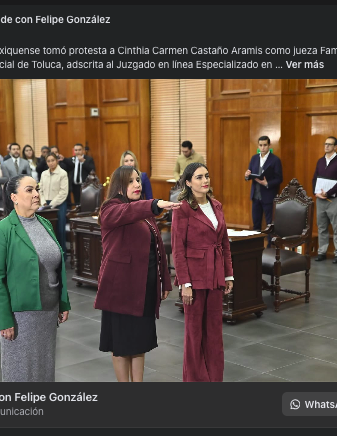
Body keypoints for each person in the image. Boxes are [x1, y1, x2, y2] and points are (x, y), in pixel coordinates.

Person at [94, 166, 179, 382]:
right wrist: (154, 204)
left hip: (144, 288)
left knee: (140, 342)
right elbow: (128, 212)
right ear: (119, 186)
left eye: (138, 180)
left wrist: (164, 281)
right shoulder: (110, 208)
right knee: (122, 344)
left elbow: (157, 249)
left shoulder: (143, 212)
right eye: (131, 181)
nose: (137, 185)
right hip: (121, 290)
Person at [0, 174, 71, 382]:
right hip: (21, 316)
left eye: (37, 189)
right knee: (21, 373)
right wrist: (4, 320)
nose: (36, 194)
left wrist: (62, 302)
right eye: (29, 190)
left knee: (44, 370)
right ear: (14, 197)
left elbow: (56, 267)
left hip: (48, 312)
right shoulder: (0, 231)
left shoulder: (45, 224)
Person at [171, 162, 234, 382]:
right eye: (199, 177)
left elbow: (224, 243)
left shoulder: (217, 205)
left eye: (206, 176)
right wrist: (185, 283)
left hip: (216, 275)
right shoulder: (182, 209)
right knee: (194, 333)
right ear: (188, 182)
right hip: (194, 278)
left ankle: (214, 379)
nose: (205, 180)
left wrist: (228, 274)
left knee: (214, 332)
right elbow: (178, 249)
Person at [312, 136, 337, 263]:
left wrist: (328, 193)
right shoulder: (320, 161)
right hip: (320, 200)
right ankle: (322, 252)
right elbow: (315, 178)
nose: (326, 146)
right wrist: (316, 193)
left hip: (334, 200)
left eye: (329, 144)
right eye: (325, 144)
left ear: (335, 147)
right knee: (321, 227)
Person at [244, 136, 283, 237]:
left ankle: (270, 245)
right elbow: (249, 173)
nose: (263, 148)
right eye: (260, 145)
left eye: (265, 145)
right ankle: (255, 244)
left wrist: (267, 183)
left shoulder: (275, 160)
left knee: (270, 224)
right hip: (255, 196)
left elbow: (279, 179)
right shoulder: (254, 158)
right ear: (258, 146)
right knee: (256, 224)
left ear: (269, 145)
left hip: (268, 196)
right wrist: (247, 176)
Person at [39, 153, 69, 259]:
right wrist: (43, 203)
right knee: (47, 231)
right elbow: (40, 190)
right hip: (45, 205)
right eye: (48, 161)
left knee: (59, 230)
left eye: (53, 160)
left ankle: (62, 256)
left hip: (59, 204)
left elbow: (63, 192)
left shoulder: (62, 173)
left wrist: (51, 205)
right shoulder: (44, 174)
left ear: (56, 161)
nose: (51, 163)